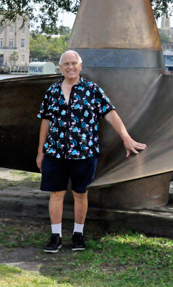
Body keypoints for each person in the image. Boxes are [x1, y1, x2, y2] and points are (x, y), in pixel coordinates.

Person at [36, 50, 146, 253]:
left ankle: (78, 234)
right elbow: (45, 120)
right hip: (55, 153)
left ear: (80, 65)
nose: (70, 67)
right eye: (66, 64)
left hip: (84, 153)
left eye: (74, 63)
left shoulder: (92, 90)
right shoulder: (52, 91)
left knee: (80, 194)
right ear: (60, 68)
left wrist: (126, 138)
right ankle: (56, 236)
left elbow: (111, 115)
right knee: (56, 194)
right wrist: (40, 151)